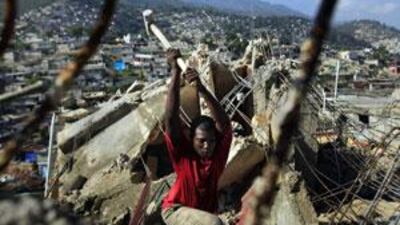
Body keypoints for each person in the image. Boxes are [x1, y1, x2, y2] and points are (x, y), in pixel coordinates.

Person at [161, 48, 233, 225]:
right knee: (215, 223)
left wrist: (202, 88)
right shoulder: (183, 154)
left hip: (199, 214)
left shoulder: (218, 156)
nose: (207, 146)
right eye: (201, 141)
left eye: (211, 141)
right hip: (175, 209)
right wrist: (175, 72)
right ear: (191, 140)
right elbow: (170, 119)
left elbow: (224, 124)